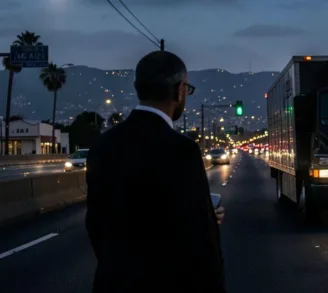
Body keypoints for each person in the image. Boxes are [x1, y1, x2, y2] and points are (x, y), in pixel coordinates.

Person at [85, 50, 226, 292]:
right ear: (180, 90)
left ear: (138, 87)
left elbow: (96, 223)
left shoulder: (103, 145)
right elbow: (200, 241)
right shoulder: (182, 150)